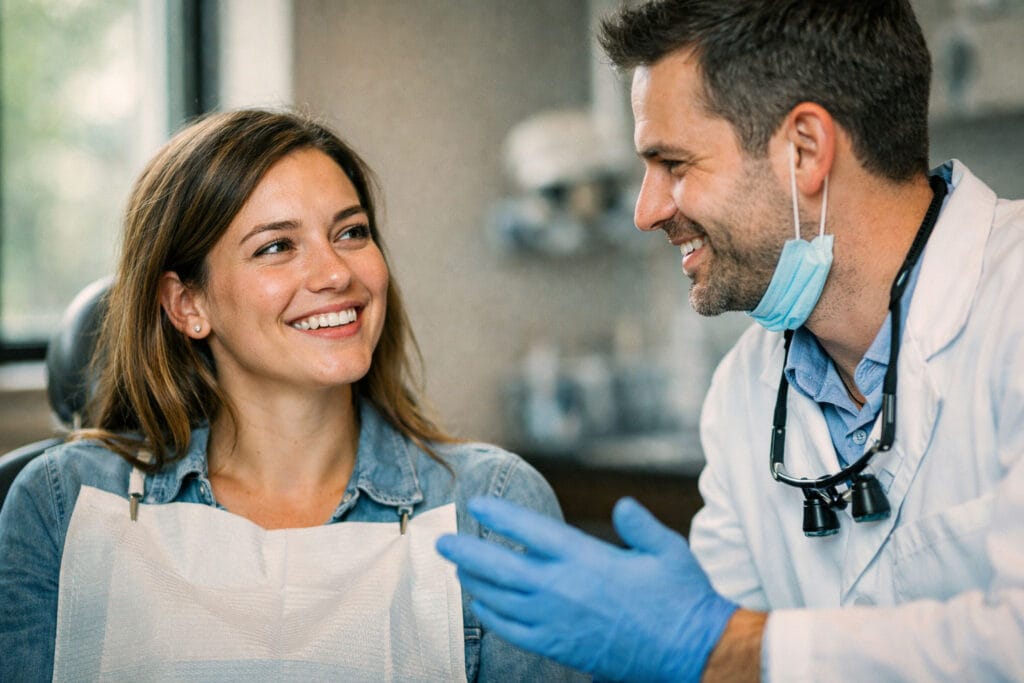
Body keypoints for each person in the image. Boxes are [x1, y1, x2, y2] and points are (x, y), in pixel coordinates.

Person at [436, 1, 1024, 681]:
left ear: (804, 148)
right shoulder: (744, 392)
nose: (646, 210)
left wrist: (718, 644)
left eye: (674, 164)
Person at [0, 109, 587, 682]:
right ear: (188, 304)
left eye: (351, 232)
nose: (336, 273)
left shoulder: (494, 507)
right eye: (277, 247)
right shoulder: (61, 503)